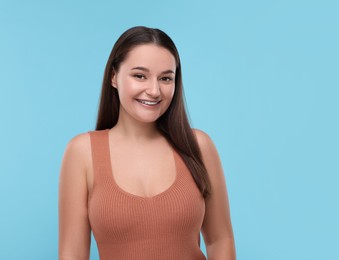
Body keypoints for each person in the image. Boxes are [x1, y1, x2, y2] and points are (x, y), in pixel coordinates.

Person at [58, 26, 236, 260]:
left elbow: (220, 239)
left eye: (165, 78)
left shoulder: (198, 146)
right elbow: (72, 254)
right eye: (140, 75)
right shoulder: (82, 153)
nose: (154, 90)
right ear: (114, 76)